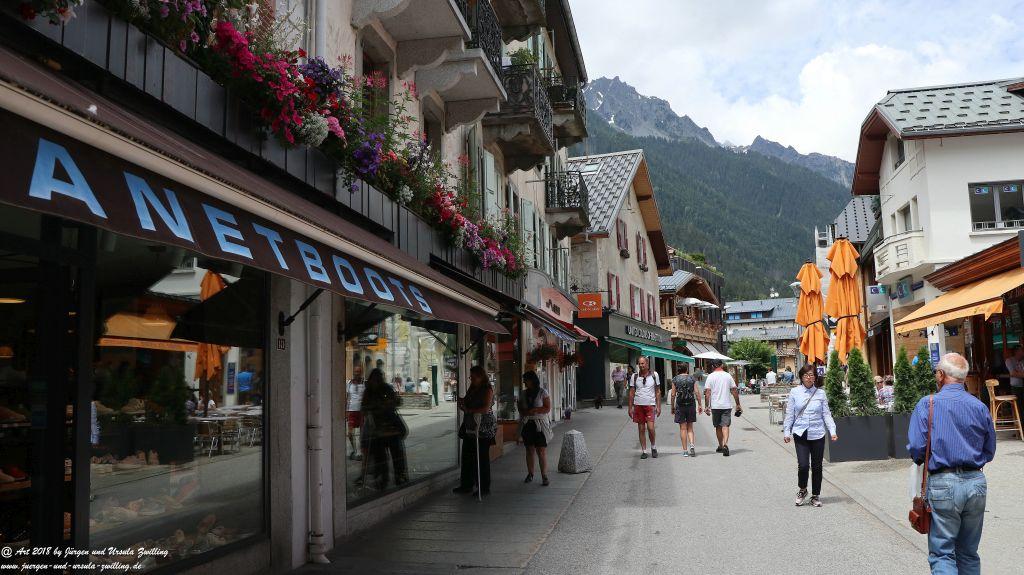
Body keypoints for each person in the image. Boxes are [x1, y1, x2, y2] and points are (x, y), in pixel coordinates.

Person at [908, 353, 995, 574]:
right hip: (976, 481)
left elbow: (917, 448)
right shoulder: (979, 406)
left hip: (943, 483)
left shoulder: (928, 404)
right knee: (968, 552)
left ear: (941, 375)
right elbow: (989, 450)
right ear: (963, 378)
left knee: (942, 553)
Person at [783, 364, 837, 507]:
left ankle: (815, 495)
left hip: (817, 433)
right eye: (806, 375)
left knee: (817, 466)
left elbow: (826, 414)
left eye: (812, 375)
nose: (809, 377)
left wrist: (833, 431)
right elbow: (790, 413)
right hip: (800, 432)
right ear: (801, 377)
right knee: (803, 465)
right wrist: (786, 431)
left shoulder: (820, 393)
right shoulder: (795, 392)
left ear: (815, 377)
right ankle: (802, 489)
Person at [361, 368, 408, 489]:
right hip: (380, 429)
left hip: (388, 428)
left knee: (390, 455)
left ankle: (392, 476)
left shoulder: (381, 389)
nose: (377, 381)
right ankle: (387, 477)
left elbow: (395, 403)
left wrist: (386, 405)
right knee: (384, 456)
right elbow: (365, 408)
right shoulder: (370, 391)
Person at [454, 366, 495, 496]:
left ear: (481, 377)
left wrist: (469, 410)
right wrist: (462, 403)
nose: (472, 379)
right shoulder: (472, 388)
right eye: (471, 377)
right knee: (467, 456)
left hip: (483, 427)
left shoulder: (487, 389)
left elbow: (485, 408)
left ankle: (483, 488)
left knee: (481, 458)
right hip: (470, 425)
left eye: (474, 377)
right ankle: (467, 484)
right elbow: (467, 402)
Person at [518, 371, 553, 486]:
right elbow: (520, 409)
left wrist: (536, 410)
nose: (524, 382)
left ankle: (544, 475)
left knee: (541, 451)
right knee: (529, 450)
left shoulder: (543, 392)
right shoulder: (522, 394)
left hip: (540, 425)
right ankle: (530, 473)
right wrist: (526, 412)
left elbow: (547, 408)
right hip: (528, 424)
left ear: (532, 380)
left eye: (525, 380)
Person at [703, 360, 741, 456]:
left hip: (715, 406)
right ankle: (725, 444)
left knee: (718, 426)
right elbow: (734, 390)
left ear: (712, 366)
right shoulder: (727, 376)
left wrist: (706, 406)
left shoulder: (710, 376)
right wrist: (738, 404)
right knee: (725, 425)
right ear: (722, 365)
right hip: (726, 405)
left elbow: (707, 393)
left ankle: (720, 445)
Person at [628, 357, 661, 459]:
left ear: (647, 364)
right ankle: (644, 451)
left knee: (651, 428)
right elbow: (632, 392)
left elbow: (658, 391)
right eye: (639, 364)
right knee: (641, 429)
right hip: (638, 405)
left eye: (643, 363)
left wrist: (658, 406)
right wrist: (630, 407)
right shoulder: (634, 376)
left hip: (650, 405)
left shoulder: (654, 375)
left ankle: (653, 446)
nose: (641, 365)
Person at [670, 363, 703, 457]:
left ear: (678, 370)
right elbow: (696, 392)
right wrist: (700, 404)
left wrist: (672, 406)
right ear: (687, 370)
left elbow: (673, 394)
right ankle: (692, 445)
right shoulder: (692, 379)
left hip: (680, 405)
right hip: (691, 404)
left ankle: (685, 451)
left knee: (682, 428)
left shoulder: (675, 379)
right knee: (690, 427)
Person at [346, 365, 365, 461]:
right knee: (349, 433)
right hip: (351, 411)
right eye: (355, 371)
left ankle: (359, 452)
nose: (357, 373)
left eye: (359, 372)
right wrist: (345, 411)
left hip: (361, 411)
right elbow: (347, 397)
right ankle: (353, 449)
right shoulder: (349, 383)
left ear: (361, 373)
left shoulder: (364, 384)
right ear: (354, 372)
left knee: (360, 434)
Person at [1004, 345, 1024, 412]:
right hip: (1015, 387)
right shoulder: (1009, 360)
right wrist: (1018, 373)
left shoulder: (1023, 361)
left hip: (1022, 386)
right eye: (1022, 350)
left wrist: (1018, 373)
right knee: (1018, 407)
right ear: (1017, 351)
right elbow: (1013, 373)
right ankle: (1019, 421)